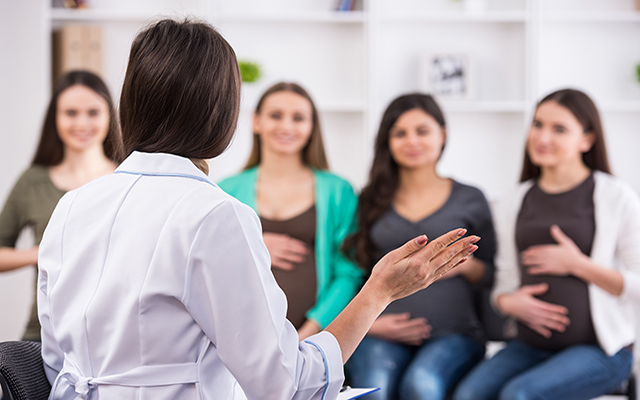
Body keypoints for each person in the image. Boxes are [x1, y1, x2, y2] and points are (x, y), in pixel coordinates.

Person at [37, 19, 479, 400]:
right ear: (226, 114)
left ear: (129, 104)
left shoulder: (72, 206)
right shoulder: (213, 213)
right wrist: (379, 290)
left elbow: (55, 360)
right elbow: (283, 383)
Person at [453, 89, 639, 400]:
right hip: (530, 346)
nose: (542, 136)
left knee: (519, 394)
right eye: (538, 124)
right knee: (468, 394)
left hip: (602, 351)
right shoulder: (514, 200)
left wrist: (578, 265)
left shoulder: (616, 196)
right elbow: (505, 282)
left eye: (559, 129)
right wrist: (508, 303)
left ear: (587, 139)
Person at [344, 93, 496, 400]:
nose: (411, 141)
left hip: (454, 334)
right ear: (387, 141)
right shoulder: (368, 201)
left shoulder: (471, 199)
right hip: (380, 331)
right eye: (400, 133)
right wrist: (372, 324)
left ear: (443, 134)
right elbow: (353, 272)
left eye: (422, 131)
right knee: (375, 388)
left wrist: (464, 266)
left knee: (422, 385)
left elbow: (495, 275)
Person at [219, 82, 362, 340]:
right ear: (256, 121)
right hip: (241, 342)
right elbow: (207, 262)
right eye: (275, 116)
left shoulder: (339, 191)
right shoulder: (226, 190)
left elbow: (348, 274)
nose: (286, 126)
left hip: (316, 341)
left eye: (298, 118)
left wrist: (308, 336)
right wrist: (253, 247)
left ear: (311, 127)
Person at [0, 70, 120, 341]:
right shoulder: (32, 181)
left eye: (93, 112)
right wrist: (39, 253)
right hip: (44, 336)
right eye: (70, 113)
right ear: (55, 118)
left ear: (109, 116)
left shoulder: (128, 178)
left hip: (114, 340)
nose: (82, 123)